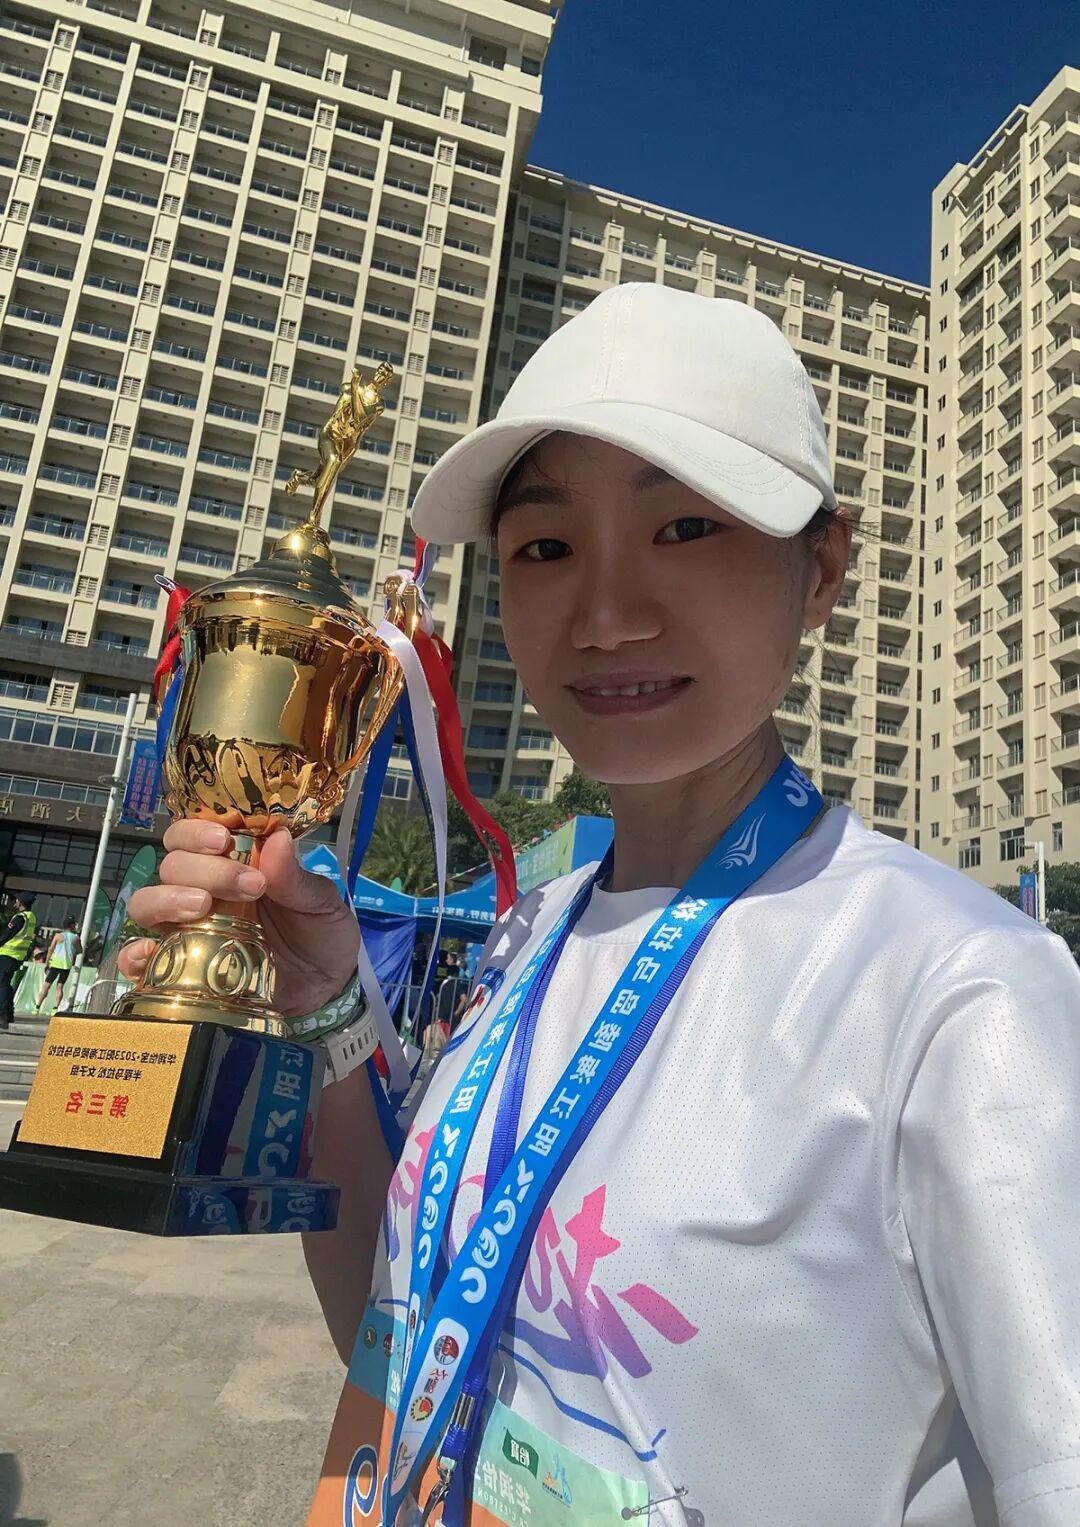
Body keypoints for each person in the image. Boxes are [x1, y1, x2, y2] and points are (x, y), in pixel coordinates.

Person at [120, 285, 1080, 1525]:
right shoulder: (532, 933)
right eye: (546, 548)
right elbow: (401, 1341)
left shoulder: (963, 997)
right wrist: (327, 1018)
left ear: (823, 569)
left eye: (683, 527)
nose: (608, 617)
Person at [0, 893, 37, 1030]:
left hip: (8, 955)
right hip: (18, 956)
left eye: (17, 900)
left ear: (20, 902)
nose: (15, 902)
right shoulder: (31, 917)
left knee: (2, 984)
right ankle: (9, 1014)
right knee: (6, 984)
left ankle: (3, 1016)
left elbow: (7, 935)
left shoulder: (20, 917)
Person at [35, 917, 81, 1013]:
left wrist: (47, 963)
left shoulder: (58, 936)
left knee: (46, 985)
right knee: (60, 987)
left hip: (56, 963)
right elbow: (80, 950)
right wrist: (72, 952)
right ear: (72, 926)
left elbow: (51, 949)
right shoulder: (76, 938)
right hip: (66, 964)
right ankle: (55, 1008)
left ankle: (37, 1007)